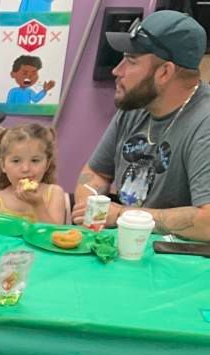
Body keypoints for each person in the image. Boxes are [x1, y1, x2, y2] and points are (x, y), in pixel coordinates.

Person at [72, 10, 210, 241]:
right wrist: (90, 200)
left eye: (131, 61)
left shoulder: (204, 122)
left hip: (179, 267)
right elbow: (96, 173)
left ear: (165, 72)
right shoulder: (137, 104)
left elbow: (208, 222)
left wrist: (121, 216)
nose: (117, 70)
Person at [0, 124, 67, 223]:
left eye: (35, 160)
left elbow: (54, 236)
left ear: (47, 164)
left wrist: (38, 205)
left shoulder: (54, 194)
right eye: (16, 161)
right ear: (3, 165)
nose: (25, 169)